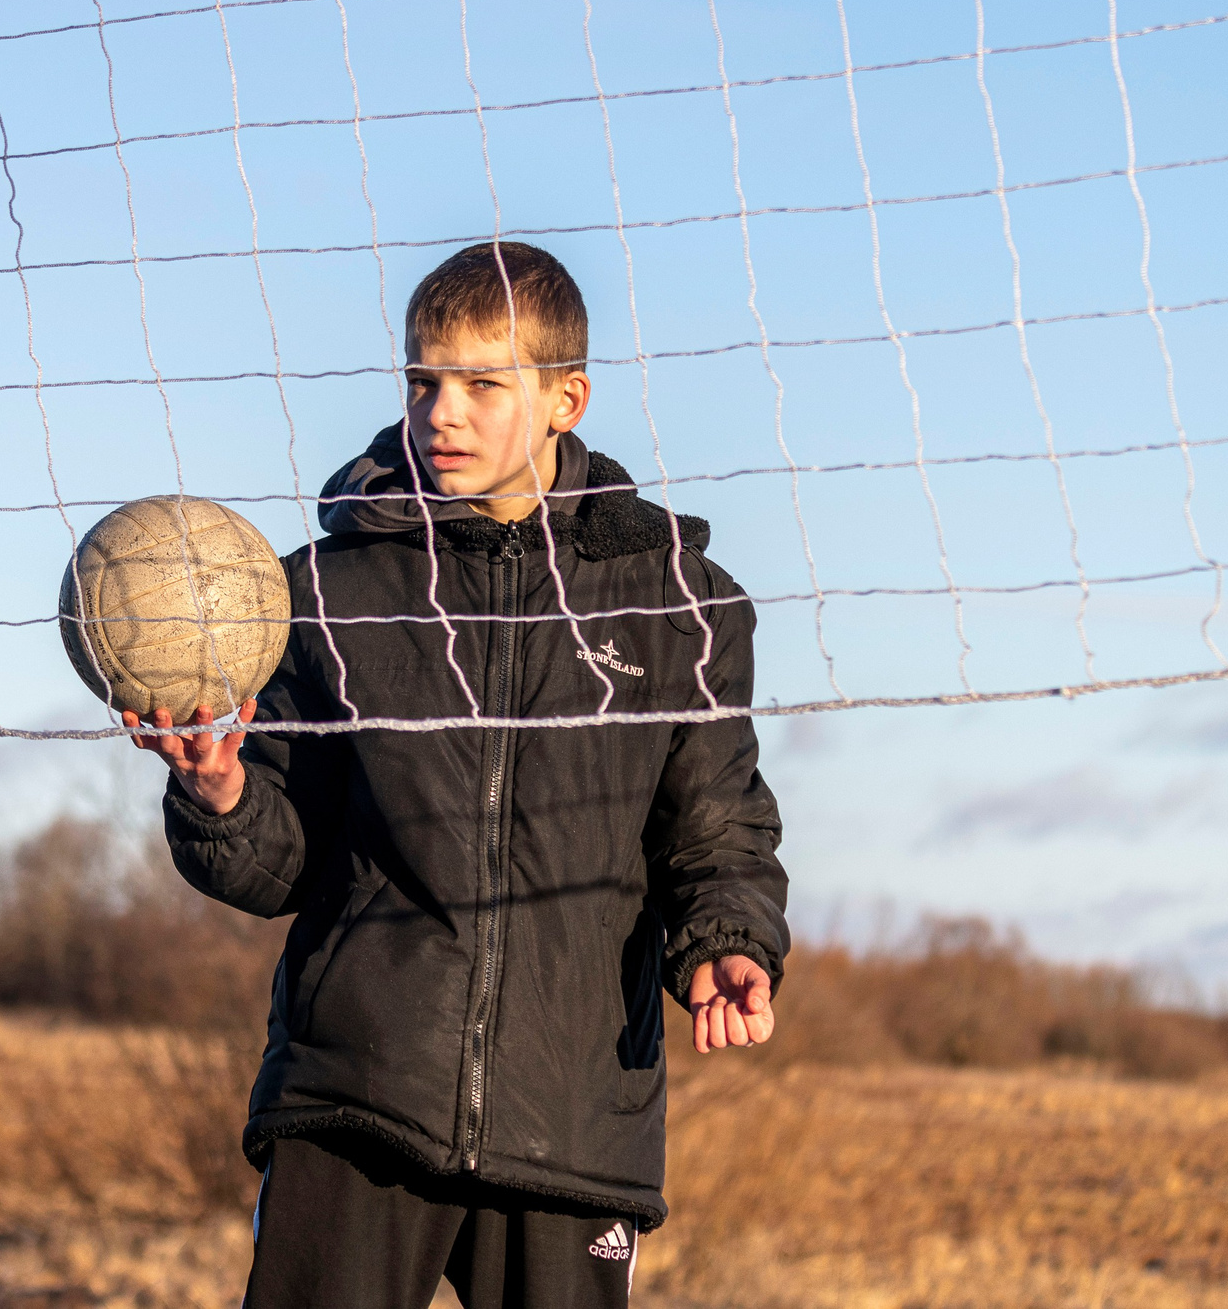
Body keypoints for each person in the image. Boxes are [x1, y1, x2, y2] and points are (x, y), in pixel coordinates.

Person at [126, 240, 788, 1309]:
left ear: (564, 397)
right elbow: (275, 866)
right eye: (423, 380)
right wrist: (221, 797)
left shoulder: (679, 603)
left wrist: (729, 941)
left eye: (483, 384)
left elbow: (716, 828)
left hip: (571, 1113)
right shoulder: (323, 593)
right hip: (356, 1090)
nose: (443, 412)